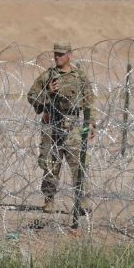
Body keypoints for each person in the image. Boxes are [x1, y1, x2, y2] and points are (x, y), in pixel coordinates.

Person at [26, 40, 94, 214]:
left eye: (61, 54)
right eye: (55, 53)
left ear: (69, 55)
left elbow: (88, 101)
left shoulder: (79, 76)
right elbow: (32, 97)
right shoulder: (47, 77)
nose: (57, 57)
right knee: (51, 165)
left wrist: (91, 122)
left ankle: (82, 201)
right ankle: (49, 200)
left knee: (78, 164)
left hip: (72, 124)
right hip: (51, 124)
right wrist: (47, 92)